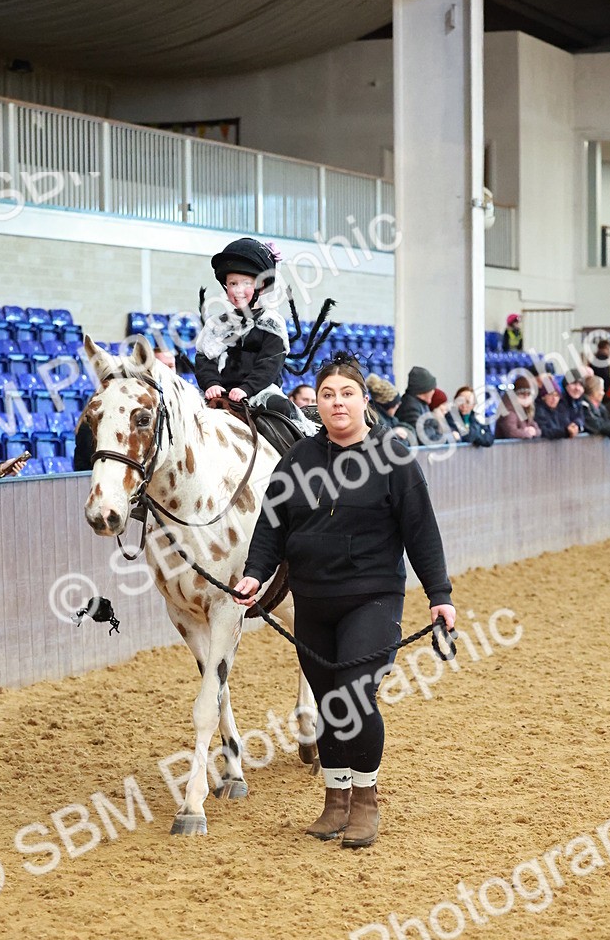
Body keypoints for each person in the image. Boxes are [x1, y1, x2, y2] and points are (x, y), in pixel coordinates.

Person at [233, 354, 455, 850]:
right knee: (331, 702)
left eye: (346, 393)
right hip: (312, 599)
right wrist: (254, 575)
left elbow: (422, 532)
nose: (337, 402)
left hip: (373, 599)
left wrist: (440, 596)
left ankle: (365, 800)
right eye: (328, 394)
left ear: (363, 401)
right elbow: (271, 527)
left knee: (355, 696)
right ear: (318, 402)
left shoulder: (393, 458)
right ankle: (335, 801)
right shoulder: (296, 461)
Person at [194, 237, 299, 421]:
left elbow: (269, 364)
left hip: (260, 391)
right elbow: (205, 359)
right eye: (232, 283)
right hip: (221, 392)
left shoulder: (272, 323)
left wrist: (247, 388)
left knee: (282, 409)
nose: (237, 290)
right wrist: (211, 383)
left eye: (246, 283)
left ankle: (296, 447)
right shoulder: (217, 324)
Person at [395, 366, 443, 444]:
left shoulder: (422, 404)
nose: (434, 392)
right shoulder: (410, 406)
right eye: (432, 389)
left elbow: (434, 427)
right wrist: (433, 431)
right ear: (424, 389)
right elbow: (420, 436)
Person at [364, 374, 413, 442]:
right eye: (396, 404)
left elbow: (401, 426)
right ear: (387, 405)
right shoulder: (375, 419)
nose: (398, 406)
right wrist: (395, 434)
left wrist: (404, 430)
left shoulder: (389, 417)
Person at [494, 374, 542, 440]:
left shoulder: (525, 410)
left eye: (529, 395)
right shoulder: (508, 412)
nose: (526, 398)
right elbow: (511, 432)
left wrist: (534, 431)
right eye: (522, 395)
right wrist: (528, 433)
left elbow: (537, 429)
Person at [534, 373, 581, 439]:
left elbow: (566, 423)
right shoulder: (539, 410)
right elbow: (544, 431)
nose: (554, 398)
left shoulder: (561, 408)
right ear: (543, 397)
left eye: (557, 395)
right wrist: (565, 432)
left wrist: (573, 427)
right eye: (550, 394)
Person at [581, 375, 610, 440]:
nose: (603, 393)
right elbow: (596, 425)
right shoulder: (584, 406)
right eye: (602, 390)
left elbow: (608, 420)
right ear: (594, 391)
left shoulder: (601, 408)